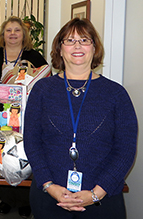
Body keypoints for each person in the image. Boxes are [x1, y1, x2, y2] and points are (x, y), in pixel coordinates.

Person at [23, 18, 138, 219]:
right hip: (49, 197)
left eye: (85, 40)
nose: (77, 45)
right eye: (69, 40)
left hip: (103, 200)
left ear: (94, 48)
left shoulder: (116, 94)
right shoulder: (42, 90)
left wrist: (96, 193)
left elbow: (125, 148)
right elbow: (32, 142)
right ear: (60, 49)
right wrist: (50, 186)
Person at [0, 16, 48, 218]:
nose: (13, 34)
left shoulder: (34, 55)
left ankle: (26, 201)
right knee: (3, 151)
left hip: (27, 114)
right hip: (0, 113)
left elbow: (45, 82)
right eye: (9, 30)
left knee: (24, 153)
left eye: (17, 30)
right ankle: (5, 199)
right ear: (3, 34)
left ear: (24, 35)